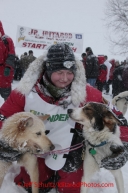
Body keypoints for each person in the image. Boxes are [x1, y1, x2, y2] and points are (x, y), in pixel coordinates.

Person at [0, 43, 127, 193]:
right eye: (59, 72)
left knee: (70, 188)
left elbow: (117, 118)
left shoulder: (87, 93)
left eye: (69, 72)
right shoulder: (25, 93)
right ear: (47, 70)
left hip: (70, 150)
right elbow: (4, 118)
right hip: (37, 148)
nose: (65, 78)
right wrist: (4, 143)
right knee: (32, 185)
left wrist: (123, 146)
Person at [0, 21, 15, 100]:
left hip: (4, 73)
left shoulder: (7, 40)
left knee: (7, 97)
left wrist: (8, 66)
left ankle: (7, 112)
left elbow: (11, 54)